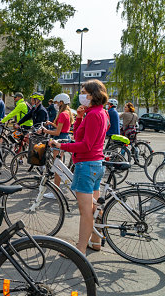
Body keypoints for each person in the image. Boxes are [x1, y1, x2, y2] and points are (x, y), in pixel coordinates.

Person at [49, 79, 109, 255]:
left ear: (92, 95)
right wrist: (81, 118)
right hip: (97, 164)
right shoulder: (100, 112)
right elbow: (81, 134)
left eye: (84, 92)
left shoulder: (94, 115)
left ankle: (80, 250)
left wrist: (62, 146)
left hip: (86, 164)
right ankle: (96, 241)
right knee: (94, 207)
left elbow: (85, 145)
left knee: (86, 212)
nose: (81, 95)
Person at [41, 93, 74, 196]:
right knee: (58, 165)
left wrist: (45, 130)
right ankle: (56, 189)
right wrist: (51, 124)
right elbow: (61, 127)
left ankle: (56, 191)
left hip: (60, 139)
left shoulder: (63, 114)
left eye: (56, 102)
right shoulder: (67, 112)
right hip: (64, 137)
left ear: (61, 102)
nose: (55, 104)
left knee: (57, 166)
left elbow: (57, 132)